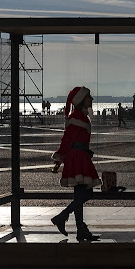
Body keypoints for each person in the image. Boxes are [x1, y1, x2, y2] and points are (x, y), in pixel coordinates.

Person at [50, 86, 101, 242]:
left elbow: (69, 141)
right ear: (81, 101)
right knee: (87, 193)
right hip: (78, 158)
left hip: (80, 157)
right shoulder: (77, 117)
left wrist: (61, 159)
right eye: (88, 96)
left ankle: (80, 228)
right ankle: (63, 216)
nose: (91, 99)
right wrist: (59, 159)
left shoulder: (80, 116)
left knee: (80, 194)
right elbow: (67, 140)